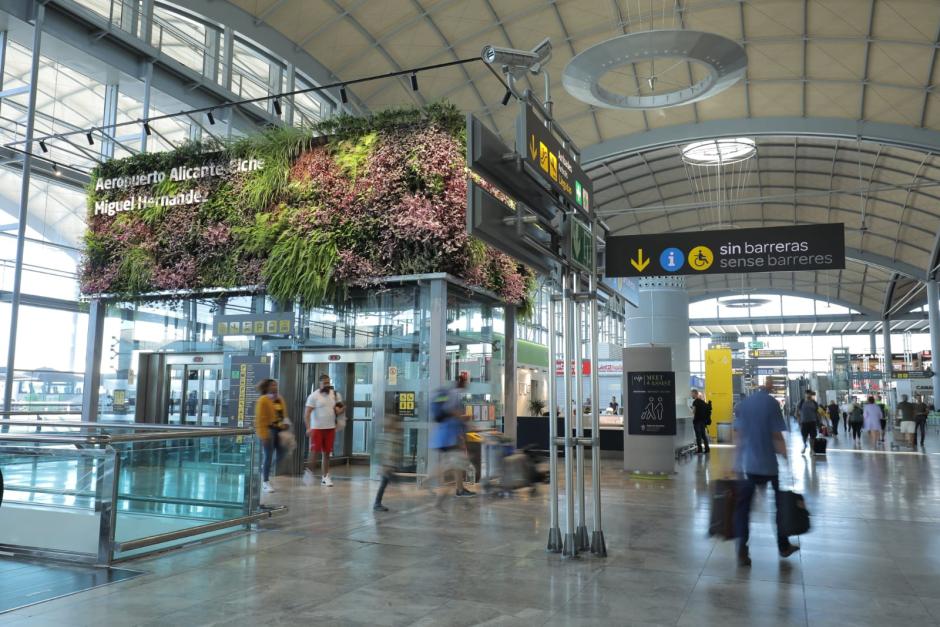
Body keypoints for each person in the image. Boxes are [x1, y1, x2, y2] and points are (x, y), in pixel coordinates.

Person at [732, 379, 800, 567]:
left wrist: (735, 463)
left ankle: (742, 549)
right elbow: (777, 437)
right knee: (780, 506)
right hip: (769, 465)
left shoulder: (743, 405)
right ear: (768, 390)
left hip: (748, 466)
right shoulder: (772, 404)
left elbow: (738, 436)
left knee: (743, 509)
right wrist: (787, 460)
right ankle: (783, 545)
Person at [429, 373, 475, 507]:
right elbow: (452, 411)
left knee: (453, 464)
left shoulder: (452, 393)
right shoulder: (455, 394)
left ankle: (459, 490)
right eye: (466, 381)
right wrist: (464, 419)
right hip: (449, 436)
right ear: (463, 382)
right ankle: (430, 482)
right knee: (453, 464)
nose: (468, 384)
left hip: (448, 435)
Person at [303, 374, 344, 487]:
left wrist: (339, 410)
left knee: (326, 453)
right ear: (320, 383)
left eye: (328, 382)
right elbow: (307, 413)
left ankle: (325, 477)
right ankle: (309, 472)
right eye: (324, 383)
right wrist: (308, 427)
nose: (327, 385)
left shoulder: (334, 394)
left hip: (330, 428)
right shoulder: (314, 396)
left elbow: (341, 407)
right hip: (317, 429)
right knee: (314, 452)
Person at [254, 378, 288, 494]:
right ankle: (265, 481)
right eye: (272, 385)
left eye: (275, 385)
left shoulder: (279, 398)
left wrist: (285, 424)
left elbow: (283, 414)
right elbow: (259, 419)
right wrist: (263, 435)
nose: (274, 387)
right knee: (268, 455)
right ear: (267, 387)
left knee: (282, 453)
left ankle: (264, 469)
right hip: (268, 430)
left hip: (279, 429)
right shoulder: (263, 400)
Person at [373, 408, 403, 512]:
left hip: (390, 466)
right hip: (386, 466)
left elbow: (395, 451)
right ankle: (377, 503)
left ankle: (377, 503)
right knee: (385, 483)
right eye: (396, 424)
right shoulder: (386, 437)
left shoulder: (395, 436)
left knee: (386, 483)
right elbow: (382, 452)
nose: (398, 426)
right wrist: (384, 465)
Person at [797, 390, 819, 454]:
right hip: (804, 423)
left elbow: (817, 413)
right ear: (805, 394)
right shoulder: (801, 402)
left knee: (813, 436)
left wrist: (819, 422)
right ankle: (804, 445)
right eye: (807, 394)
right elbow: (797, 412)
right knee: (804, 436)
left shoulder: (814, 403)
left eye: (810, 394)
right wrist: (799, 421)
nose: (809, 395)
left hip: (812, 422)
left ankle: (812, 449)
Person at [691, 389, 711, 454]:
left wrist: (692, 416)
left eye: (692, 394)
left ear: (695, 394)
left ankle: (699, 449)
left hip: (697, 421)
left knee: (698, 436)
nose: (691, 395)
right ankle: (707, 448)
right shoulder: (703, 402)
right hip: (703, 421)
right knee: (703, 435)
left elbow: (693, 412)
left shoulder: (695, 402)